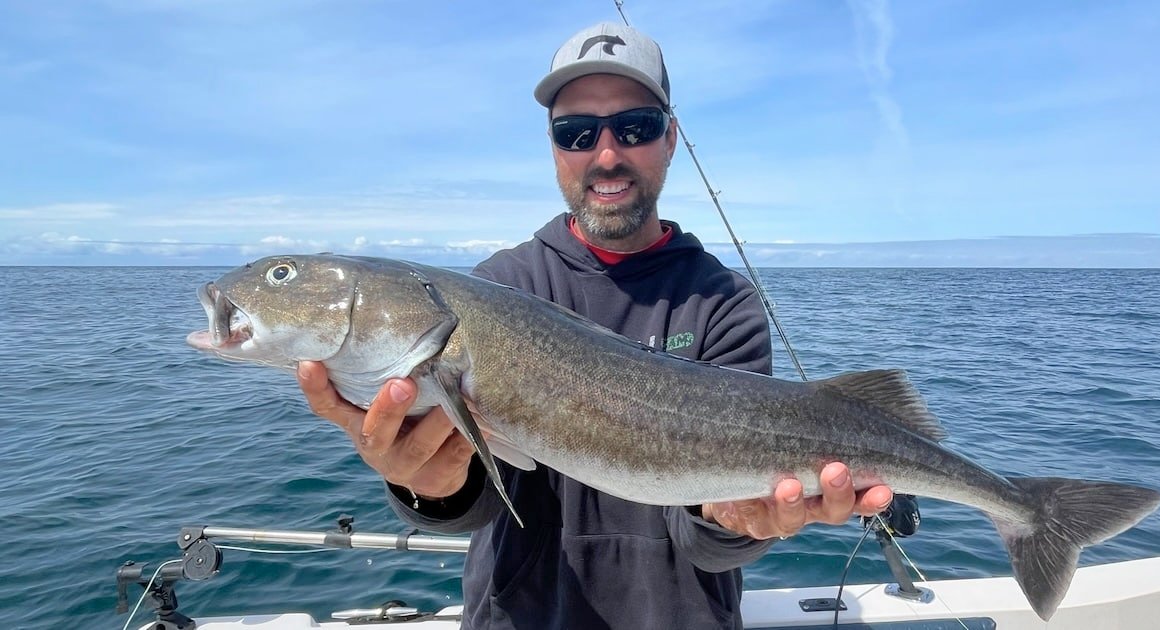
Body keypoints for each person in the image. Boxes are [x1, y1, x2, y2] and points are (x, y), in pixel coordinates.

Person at [297, 22, 893, 630]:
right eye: (576, 132)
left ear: (671, 140)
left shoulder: (722, 301)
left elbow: (709, 541)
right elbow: (470, 501)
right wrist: (425, 486)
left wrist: (735, 520)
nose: (606, 154)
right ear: (554, 148)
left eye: (636, 127)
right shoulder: (499, 288)